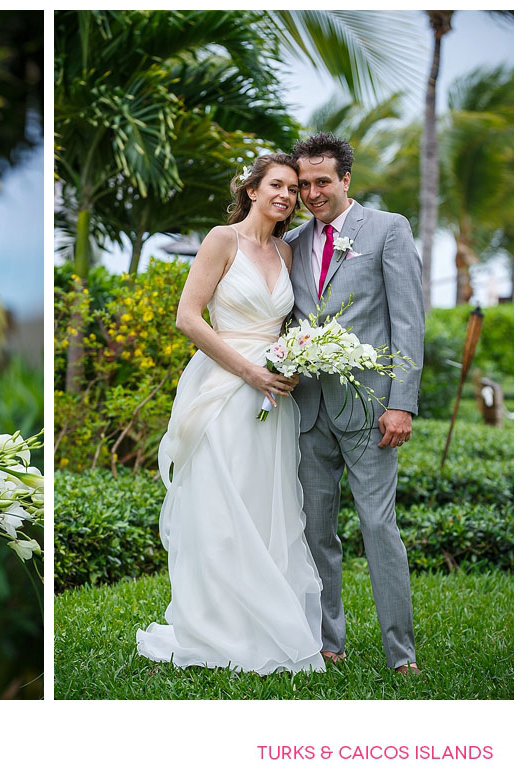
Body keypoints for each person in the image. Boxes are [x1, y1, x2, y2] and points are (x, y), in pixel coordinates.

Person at [136, 154, 325, 674]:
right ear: (253, 190)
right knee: (221, 505)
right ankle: (215, 626)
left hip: (273, 397)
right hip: (224, 386)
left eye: (294, 189)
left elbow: (285, 326)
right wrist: (250, 372)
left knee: (266, 505)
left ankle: (260, 621)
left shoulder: (286, 252)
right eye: (277, 185)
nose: (287, 195)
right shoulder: (223, 239)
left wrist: (295, 359)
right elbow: (188, 318)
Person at [285, 133, 424, 675]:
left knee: (379, 528)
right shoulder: (292, 240)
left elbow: (408, 321)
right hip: (307, 410)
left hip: (371, 411)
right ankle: (329, 643)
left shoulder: (388, 229)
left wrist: (402, 403)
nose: (313, 193)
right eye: (304, 184)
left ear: (346, 179)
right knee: (317, 532)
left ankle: (401, 655)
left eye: (323, 181)